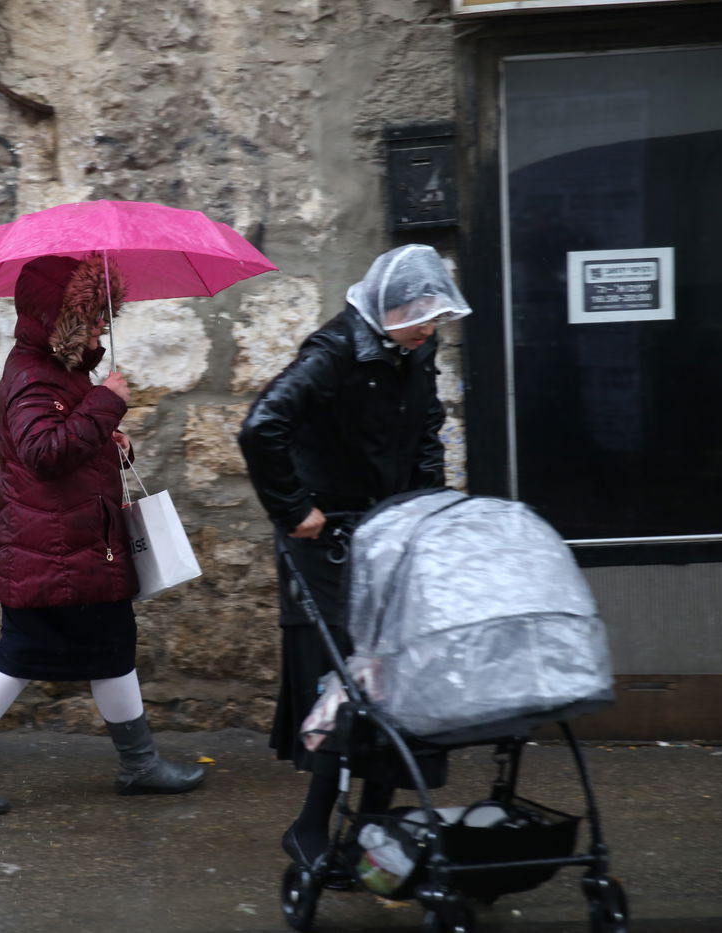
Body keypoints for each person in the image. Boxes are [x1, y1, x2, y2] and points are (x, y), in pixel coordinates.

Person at [0, 253, 206, 816]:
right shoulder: (33, 375)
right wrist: (107, 403)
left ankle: (138, 762)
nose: (102, 326)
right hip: (54, 549)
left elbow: (67, 441)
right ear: (60, 319)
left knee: (110, 648)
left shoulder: (61, 371)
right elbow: (44, 452)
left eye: (104, 315)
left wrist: (109, 438)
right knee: (23, 653)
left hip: (71, 543)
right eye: (91, 315)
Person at [236, 243, 471, 869]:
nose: (430, 327)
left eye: (435, 316)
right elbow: (263, 427)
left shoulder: (416, 351)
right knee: (350, 684)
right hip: (329, 542)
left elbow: (426, 435)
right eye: (420, 313)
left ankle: (368, 824)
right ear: (386, 308)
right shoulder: (333, 353)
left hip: (390, 533)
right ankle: (313, 827)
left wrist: (426, 510)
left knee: (394, 680)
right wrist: (294, 509)